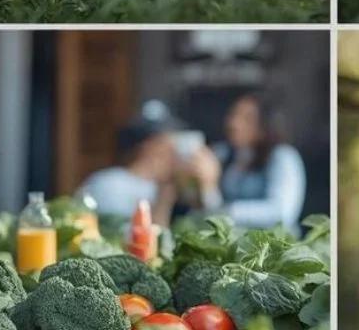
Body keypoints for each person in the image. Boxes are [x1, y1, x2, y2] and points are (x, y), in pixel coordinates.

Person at [78, 104, 220, 227]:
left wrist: (208, 187)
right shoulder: (110, 184)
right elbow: (132, 242)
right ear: (152, 145)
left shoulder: (173, 185)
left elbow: (209, 230)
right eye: (170, 137)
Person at [198, 93, 307, 235]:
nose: (234, 123)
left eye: (247, 119)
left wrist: (227, 211)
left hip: (273, 248)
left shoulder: (283, 157)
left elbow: (281, 213)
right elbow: (207, 205)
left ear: (265, 126)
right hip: (231, 244)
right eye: (233, 115)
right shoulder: (224, 154)